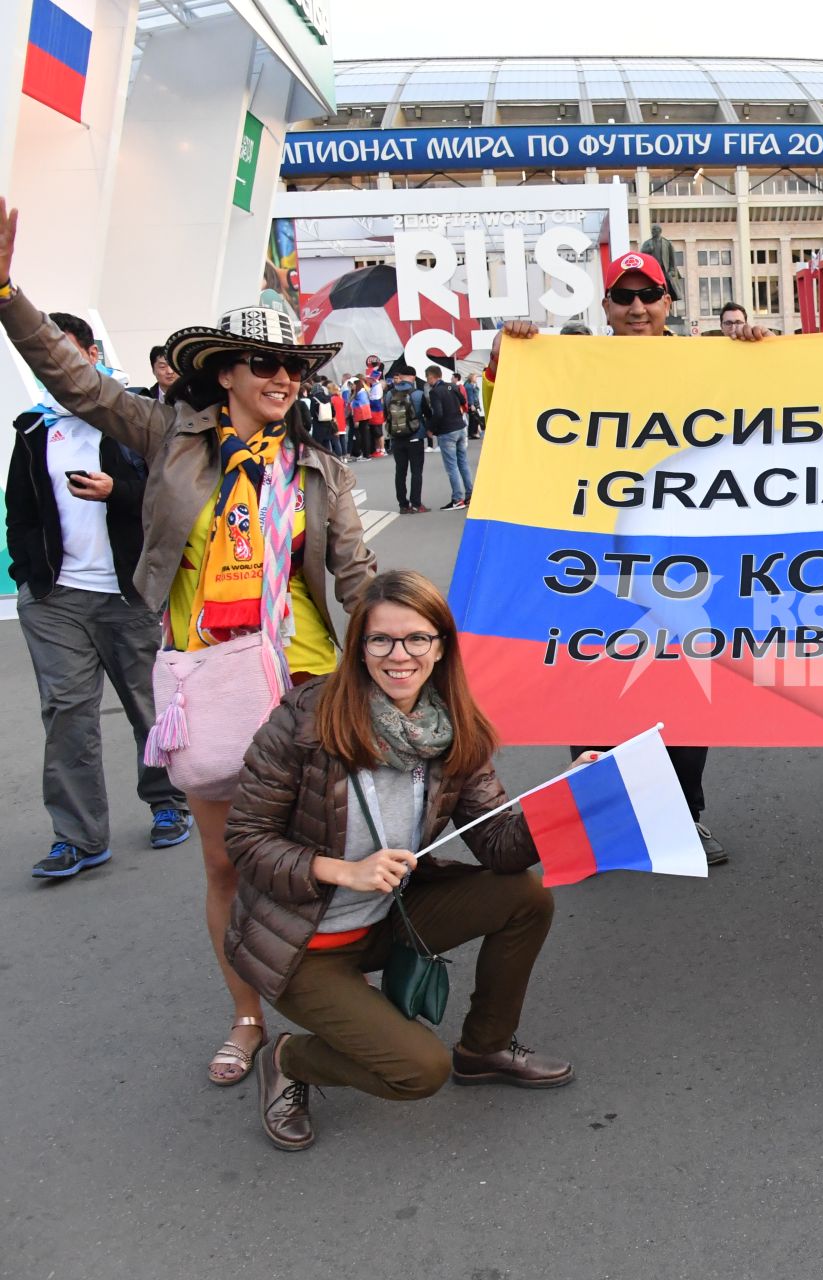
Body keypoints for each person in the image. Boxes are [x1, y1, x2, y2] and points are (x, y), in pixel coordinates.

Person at [0, 196, 377, 1088]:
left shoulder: (319, 468)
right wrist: (7, 292)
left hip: (311, 683)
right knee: (225, 861)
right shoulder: (169, 436)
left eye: (292, 363)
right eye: (263, 363)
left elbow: (355, 580)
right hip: (207, 676)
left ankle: (341, 1001)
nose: (282, 376)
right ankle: (247, 1016)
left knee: (333, 852)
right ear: (226, 373)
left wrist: (418, 644)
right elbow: (78, 382)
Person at [229, 570, 569, 1151]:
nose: (399, 655)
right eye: (381, 640)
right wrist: (341, 871)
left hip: (389, 920)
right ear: (360, 647)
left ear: (440, 648)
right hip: (302, 945)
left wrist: (568, 798)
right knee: (418, 1073)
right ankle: (291, 1058)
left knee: (525, 898)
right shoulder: (304, 720)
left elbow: (499, 847)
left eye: (417, 639)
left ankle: (485, 1045)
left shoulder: (453, 729)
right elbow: (246, 838)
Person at [491, 248, 769, 865]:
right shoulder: (571, 365)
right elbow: (520, 424)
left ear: (669, 302)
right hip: (592, 560)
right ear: (606, 306)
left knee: (683, 689)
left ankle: (681, 817)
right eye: (625, 296)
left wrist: (763, 353)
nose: (638, 307)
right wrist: (513, 360)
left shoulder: (708, 361)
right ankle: (599, 825)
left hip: (687, 561)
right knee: (588, 684)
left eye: (650, 295)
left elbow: (772, 410)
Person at [8, 310, 192, 877]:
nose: (52, 367)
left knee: (148, 706)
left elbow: (175, 496)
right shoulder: (34, 428)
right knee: (66, 712)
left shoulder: (136, 419)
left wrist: (120, 490)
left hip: (127, 593)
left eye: (62, 352)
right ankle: (77, 836)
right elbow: (21, 510)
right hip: (56, 599)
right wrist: (28, 576)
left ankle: (167, 803)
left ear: (89, 355)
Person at [424, 365, 474, 509]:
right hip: (460, 427)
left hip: (448, 430)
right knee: (463, 462)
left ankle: (457, 499)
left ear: (432, 377)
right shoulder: (451, 386)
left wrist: (431, 428)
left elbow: (438, 413)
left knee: (451, 466)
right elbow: (463, 401)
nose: (427, 381)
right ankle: (470, 494)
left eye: (427, 378)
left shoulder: (435, 392)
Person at [382, 360, 427, 515]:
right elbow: (427, 414)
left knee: (400, 472)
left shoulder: (389, 394)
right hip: (415, 437)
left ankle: (403, 505)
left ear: (400, 377)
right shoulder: (418, 394)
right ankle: (416, 504)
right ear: (413, 377)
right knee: (416, 471)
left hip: (396, 438)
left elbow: (385, 414)